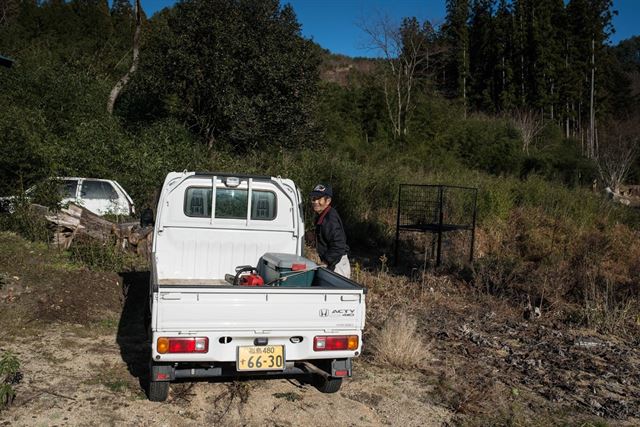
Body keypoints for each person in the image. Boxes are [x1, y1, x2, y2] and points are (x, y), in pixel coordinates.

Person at [310, 184, 351, 278]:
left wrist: (325, 261)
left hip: (338, 264)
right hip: (333, 262)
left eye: (319, 199)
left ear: (328, 201)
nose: (315, 202)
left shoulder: (330, 219)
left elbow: (339, 245)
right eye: (313, 198)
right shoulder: (323, 216)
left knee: (339, 292)